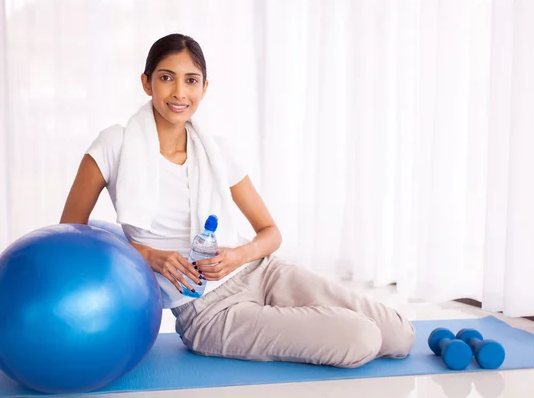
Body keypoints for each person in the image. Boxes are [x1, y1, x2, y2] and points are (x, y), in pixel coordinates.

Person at [60, 33, 415, 368]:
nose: (180, 92)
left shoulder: (217, 152)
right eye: (167, 78)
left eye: (191, 80)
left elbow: (270, 233)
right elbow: (70, 234)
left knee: (399, 334)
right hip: (207, 310)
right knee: (362, 338)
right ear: (146, 82)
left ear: (204, 87)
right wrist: (150, 256)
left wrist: (237, 256)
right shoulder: (114, 145)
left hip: (261, 271)